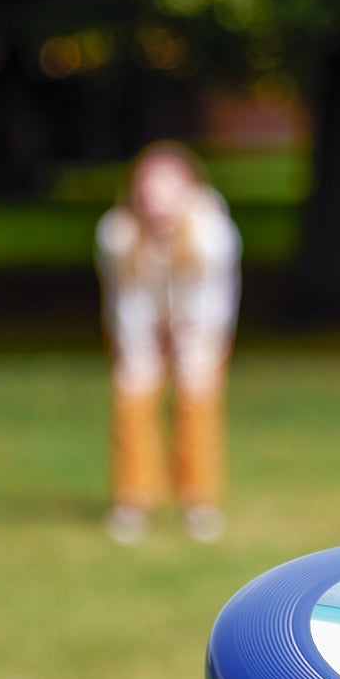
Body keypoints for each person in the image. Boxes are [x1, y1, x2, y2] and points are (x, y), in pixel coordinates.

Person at [95, 141, 242, 544]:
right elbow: (126, 300)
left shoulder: (213, 233)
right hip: (139, 324)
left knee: (197, 401)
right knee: (132, 396)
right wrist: (142, 348)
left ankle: (199, 502)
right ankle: (132, 500)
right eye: (148, 190)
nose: (156, 201)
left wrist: (189, 343)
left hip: (200, 325)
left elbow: (213, 300)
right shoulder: (117, 233)